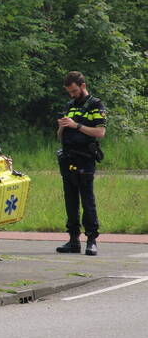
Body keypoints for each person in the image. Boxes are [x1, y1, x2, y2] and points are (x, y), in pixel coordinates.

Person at [56, 71, 106, 256]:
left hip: (85, 158)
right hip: (67, 157)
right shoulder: (69, 105)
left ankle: (91, 240)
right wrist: (62, 126)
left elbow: (100, 132)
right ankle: (73, 240)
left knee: (87, 199)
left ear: (83, 86)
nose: (72, 95)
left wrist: (76, 125)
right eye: (69, 91)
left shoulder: (95, 105)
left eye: (75, 91)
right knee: (70, 200)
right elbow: (59, 135)